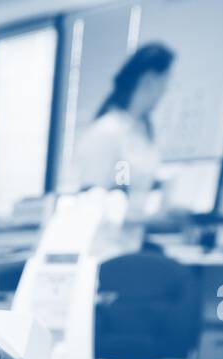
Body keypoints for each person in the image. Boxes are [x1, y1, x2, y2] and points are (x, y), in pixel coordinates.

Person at [69, 43, 178, 252]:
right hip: (101, 249)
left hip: (129, 246)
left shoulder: (140, 134)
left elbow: (124, 186)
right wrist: (148, 218)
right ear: (149, 80)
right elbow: (93, 203)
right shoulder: (107, 132)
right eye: (166, 83)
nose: (166, 91)